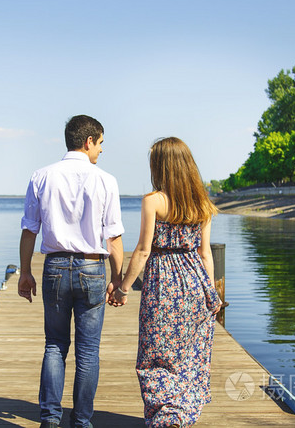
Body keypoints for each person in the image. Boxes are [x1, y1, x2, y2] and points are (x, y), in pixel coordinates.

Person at [18, 115, 125, 428]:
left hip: (54, 267)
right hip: (92, 267)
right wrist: (117, 281)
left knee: (54, 345)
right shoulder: (106, 180)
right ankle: (81, 422)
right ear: (88, 141)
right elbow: (114, 238)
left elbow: (29, 230)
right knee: (88, 351)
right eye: (101, 143)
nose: (101, 150)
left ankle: (50, 420)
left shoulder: (41, 176)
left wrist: (25, 272)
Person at [111, 137, 222, 428]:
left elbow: (144, 250)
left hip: (163, 283)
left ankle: (166, 415)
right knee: (188, 352)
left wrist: (123, 287)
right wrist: (211, 296)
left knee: (156, 354)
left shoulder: (153, 201)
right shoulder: (202, 202)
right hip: (196, 282)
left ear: (161, 165)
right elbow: (206, 253)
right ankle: (181, 412)